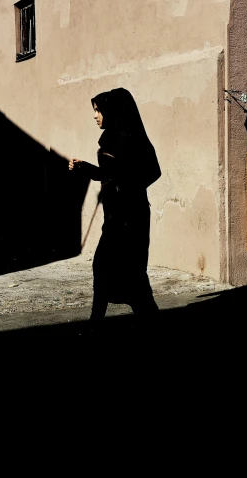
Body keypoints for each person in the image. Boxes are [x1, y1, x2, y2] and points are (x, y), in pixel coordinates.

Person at [69, 88, 161, 332]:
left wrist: (125, 186)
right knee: (110, 270)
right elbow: (107, 174)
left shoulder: (132, 138)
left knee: (123, 272)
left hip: (130, 217)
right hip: (114, 217)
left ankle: (104, 324)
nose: (95, 116)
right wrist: (84, 168)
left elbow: (153, 171)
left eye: (98, 110)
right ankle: (105, 323)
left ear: (112, 110)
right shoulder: (109, 138)